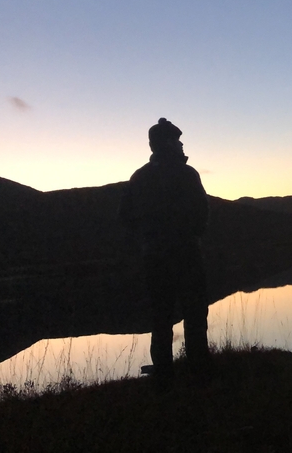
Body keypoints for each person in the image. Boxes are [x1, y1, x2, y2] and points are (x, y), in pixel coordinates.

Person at [119, 117, 210, 386]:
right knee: (194, 313)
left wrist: (145, 239)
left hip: (154, 257)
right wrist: (192, 234)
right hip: (186, 254)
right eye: (178, 140)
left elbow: (124, 217)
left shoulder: (139, 177)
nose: (182, 145)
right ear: (167, 143)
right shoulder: (187, 173)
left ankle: (164, 374)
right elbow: (202, 212)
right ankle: (199, 368)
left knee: (160, 317)